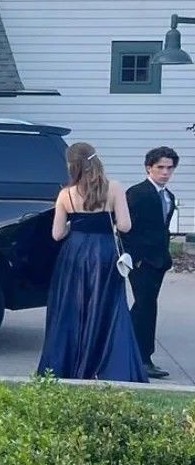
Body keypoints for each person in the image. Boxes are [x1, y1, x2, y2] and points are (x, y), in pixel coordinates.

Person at [38, 142, 146, 383]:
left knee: (73, 308)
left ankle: (69, 365)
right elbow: (126, 226)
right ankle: (106, 365)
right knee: (108, 307)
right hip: (105, 252)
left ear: (72, 165)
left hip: (75, 253)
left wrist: (72, 226)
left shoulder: (66, 194)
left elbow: (56, 235)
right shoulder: (114, 188)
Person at [124, 146, 180, 380]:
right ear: (149, 167)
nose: (165, 172)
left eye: (169, 168)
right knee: (146, 306)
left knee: (143, 307)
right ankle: (144, 358)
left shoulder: (169, 196)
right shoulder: (136, 193)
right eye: (160, 167)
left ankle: (128, 349)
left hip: (159, 261)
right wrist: (133, 258)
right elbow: (124, 227)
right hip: (141, 261)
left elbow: (162, 229)